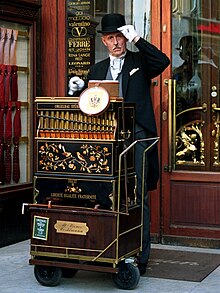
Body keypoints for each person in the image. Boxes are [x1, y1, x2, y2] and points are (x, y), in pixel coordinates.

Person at [68, 13, 170, 275]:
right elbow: (91, 104)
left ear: (125, 38)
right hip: (107, 141)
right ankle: (107, 248)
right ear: (104, 41)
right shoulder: (96, 69)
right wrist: (75, 90)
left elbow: (162, 61)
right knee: (105, 194)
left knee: (138, 196)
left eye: (120, 37)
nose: (116, 42)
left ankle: (140, 256)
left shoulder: (139, 62)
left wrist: (138, 38)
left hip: (137, 137)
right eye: (110, 38)